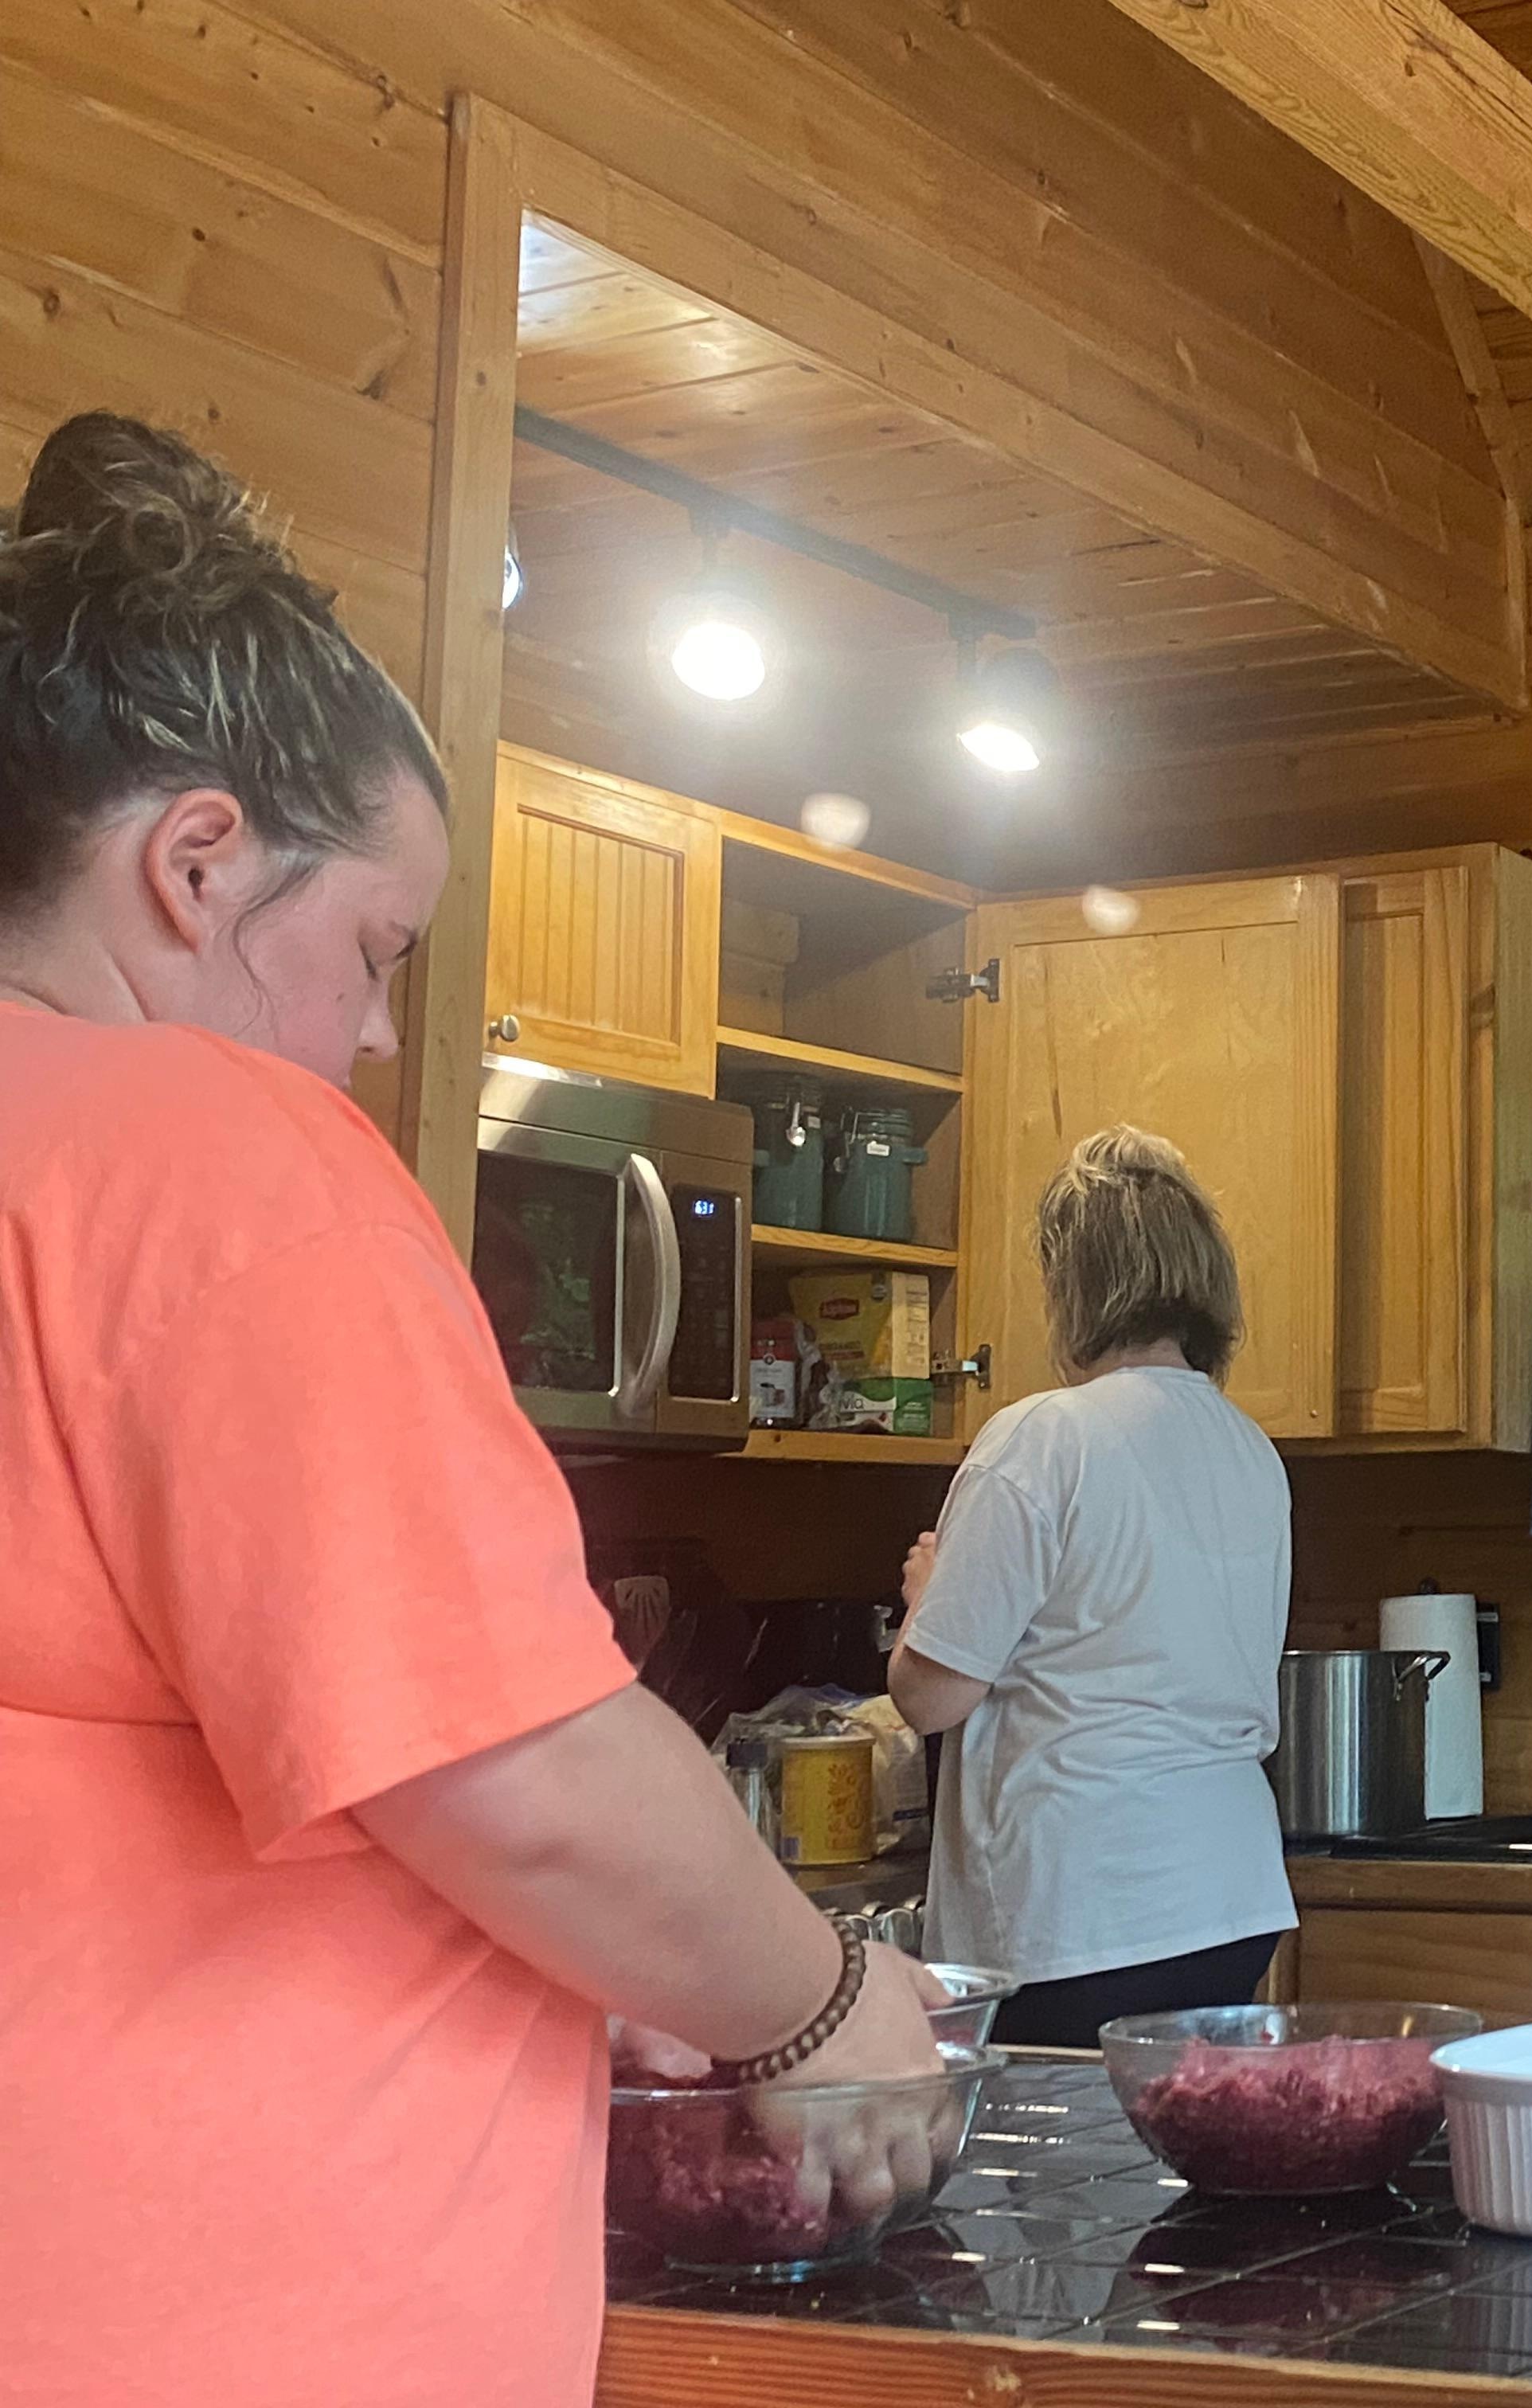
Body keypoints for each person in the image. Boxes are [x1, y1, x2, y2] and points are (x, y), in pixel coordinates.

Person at [0, 414, 943, 2408]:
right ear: (193, 862)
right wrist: (820, 2001)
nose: (367, 1032)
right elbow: (504, 1767)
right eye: (374, 950)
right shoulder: (207, 1149)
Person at [889, 1126, 1297, 2047]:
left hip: (1079, 1914)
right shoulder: (1251, 1452)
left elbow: (932, 1694)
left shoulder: (1041, 1438)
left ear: (1074, 1285)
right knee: (1180, 2170)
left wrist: (927, 1595)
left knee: (1062, 2181)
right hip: (1233, 1900)